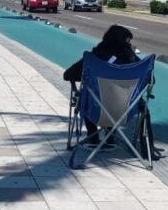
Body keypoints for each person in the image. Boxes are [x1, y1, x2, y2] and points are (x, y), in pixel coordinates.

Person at [64, 25, 159, 159]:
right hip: (126, 110)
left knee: (88, 96)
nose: (130, 44)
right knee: (132, 105)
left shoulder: (93, 58)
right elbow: (151, 80)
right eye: (128, 41)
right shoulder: (133, 62)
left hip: (95, 109)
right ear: (124, 42)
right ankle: (143, 149)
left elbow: (68, 75)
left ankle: (94, 138)